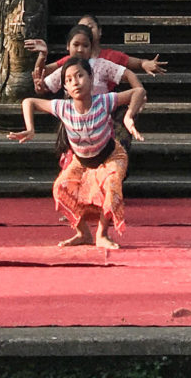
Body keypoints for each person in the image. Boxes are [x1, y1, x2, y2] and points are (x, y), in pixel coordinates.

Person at [10, 55, 144, 250]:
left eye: (80, 76)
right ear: (65, 88)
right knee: (60, 188)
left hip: (111, 156)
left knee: (112, 184)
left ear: (91, 78)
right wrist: (30, 128)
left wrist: (128, 117)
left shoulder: (104, 101)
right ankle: (83, 233)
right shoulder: (63, 107)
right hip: (81, 161)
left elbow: (138, 91)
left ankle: (102, 234)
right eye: (69, 80)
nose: (75, 83)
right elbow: (29, 102)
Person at [26, 25, 149, 144]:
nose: (80, 49)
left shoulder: (101, 66)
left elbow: (129, 75)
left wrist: (131, 110)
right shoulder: (64, 70)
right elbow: (41, 86)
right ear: (68, 46)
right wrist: (42, 61)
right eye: (76, 45)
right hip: (74, 122)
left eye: (85, 45)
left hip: (100, 119)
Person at [74, 13, 167, 77]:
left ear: (99, 31)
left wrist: (146, 63)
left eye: (90, 27)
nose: (87, 31)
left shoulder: (110, 56)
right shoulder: (73, 59)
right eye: (82, 28)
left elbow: (139, 62)